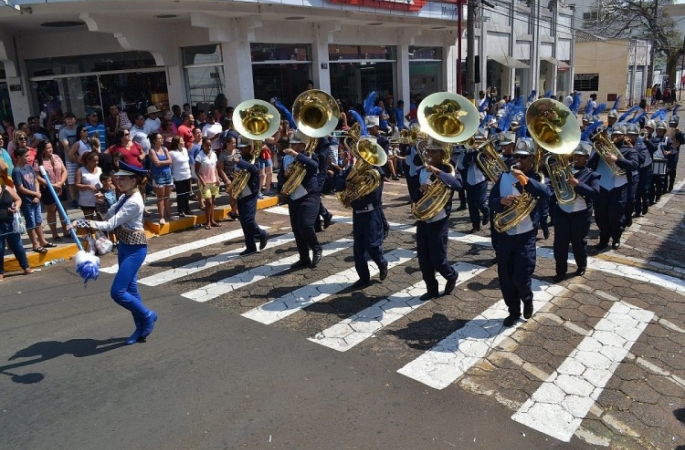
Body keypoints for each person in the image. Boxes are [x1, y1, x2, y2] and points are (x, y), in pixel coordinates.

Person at [70, 162, 157, 345]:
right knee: (131, 289)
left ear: (134, 180)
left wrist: (83, 223)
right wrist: (100, 204)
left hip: (135, 249)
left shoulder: (134, 201)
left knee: (118, 292)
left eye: (123, 178)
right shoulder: (125, 196)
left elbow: (110, 225)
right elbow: (108, 215)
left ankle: (148, 315)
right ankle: (140, 328)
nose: (119, 181)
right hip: (124, 245)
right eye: (118, 178)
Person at [489, 138, 553, 326]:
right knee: (506, 278)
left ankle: (527, 298)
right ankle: (513, 311)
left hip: (526, 236)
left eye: (524, 157)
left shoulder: (538, 178)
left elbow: (546, 193)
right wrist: (501, 202)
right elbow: (491, 202)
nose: (519, 160)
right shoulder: (503, 177)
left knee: (521, 276)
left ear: (532, 158)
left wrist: (524, 180)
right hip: (506, 235)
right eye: (517, 156)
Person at [411, 141, 462, 300]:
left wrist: (437, 172)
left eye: (433, 152)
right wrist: (420, 190)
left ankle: (451, 275)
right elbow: (414, 195)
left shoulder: (449, 169)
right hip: (423, 219)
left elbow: (458, 185)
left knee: (438, 259)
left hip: (439, 220)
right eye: (428, 152)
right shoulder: (421, 171)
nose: (429, 155)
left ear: (442, 154)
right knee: (424, 261)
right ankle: (432, 289)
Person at [552, 143, 600, 282]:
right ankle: (560, 271)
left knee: (578, 242)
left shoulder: (592, 175)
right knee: (560, 244)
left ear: (586, 158)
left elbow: (595, 194)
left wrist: (578, 184)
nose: (577, 158)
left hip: (581, 213)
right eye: (576, 155)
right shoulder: (563, 170)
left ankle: (581, 265)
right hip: (562, 211)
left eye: (581, 156)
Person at [588, 124, 639, 250]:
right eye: (614, 134)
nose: (615, 137)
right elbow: (590, 165)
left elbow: (634, 165)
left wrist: (617, 160)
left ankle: (616, 238)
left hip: (619, 187)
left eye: (618, 135)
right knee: (601, 216)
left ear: (624, 136)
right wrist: (597, 153)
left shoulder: (629, 151)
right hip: (602, 187)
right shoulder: (602, 149)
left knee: (616, 217)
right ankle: (603, 240)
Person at [282, 136, 323, 269]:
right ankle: (304, 258)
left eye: (295, 144)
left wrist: (296, 155)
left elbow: (314, 166)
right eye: (291, 144)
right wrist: (285, 174)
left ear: (302, 146)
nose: (291, 146)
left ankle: (317, 248)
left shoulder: (311, 156)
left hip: (309, 196)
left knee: (305, 224)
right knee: (296, 229)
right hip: (294, 197)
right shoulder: (286, 159)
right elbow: (280, 178)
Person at [12, 147, 55, 253]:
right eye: (26, 156)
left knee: (38, 221)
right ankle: (35, 244)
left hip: (36, 199)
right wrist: (34, 194)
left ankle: (42, 241)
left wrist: (37, 194)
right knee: (31, 223)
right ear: (18, 157)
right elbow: (20, 188)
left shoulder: (29, 167)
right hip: (27, 201)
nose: (29, 158)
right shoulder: (17, 171)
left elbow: (36, 181)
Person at [233, 142, 269, 256]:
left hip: (250, 194)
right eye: (240, 148)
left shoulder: (254, 159)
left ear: (249, 148)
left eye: (243, 148)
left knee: (248, 219)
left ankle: (262, 234)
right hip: (241, 192)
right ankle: (250, 246)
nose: (241, 149)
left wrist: (239, 162)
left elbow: (254, 169)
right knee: (243, 221)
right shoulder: (241, 158)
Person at [34, 140, 69, 241]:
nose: (50, 149)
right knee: (52, 210)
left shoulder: (56, 157)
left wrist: (61, 183)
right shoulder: (38, 161)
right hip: (48, 189)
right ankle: (55, 234)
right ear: (43, 150)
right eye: (47, 148)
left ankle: (66, 231)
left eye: (51, 147)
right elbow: (37, 176)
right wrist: (51, 185)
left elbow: (64, 171)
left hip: (61, 186)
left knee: (63, 209)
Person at [0, 178, 32, 281]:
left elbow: (18, 199)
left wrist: (16, 207)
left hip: (11, 223)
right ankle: (0, 272)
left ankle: (25, 267)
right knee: (0, 249)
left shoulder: (7, 189)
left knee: (17, 246)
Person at [462, 129, 490, 233]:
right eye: (475, 140)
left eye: (478, 140)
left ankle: (487, 212)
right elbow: (464, 164)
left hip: (481, 179)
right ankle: (475, 226)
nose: (476, 142)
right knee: (471, 205)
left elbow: (482, 164)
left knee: (480, 202)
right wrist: (470, 152)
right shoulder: (469, 151)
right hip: (470, 180)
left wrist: (477, 152)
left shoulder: (484, 152)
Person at [148, 132, 174, 224]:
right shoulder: (152, 151)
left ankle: (169, 215)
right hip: (158, 176)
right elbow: (156, 163)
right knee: (160, 197)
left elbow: (170, 161)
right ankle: (161, 217)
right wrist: (165, 162)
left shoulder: (165, 148)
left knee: (167, 196)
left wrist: (162, 162)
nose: (162, 139)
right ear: (154, 141)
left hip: (168, 174)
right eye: (159, 138)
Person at [195, 137, 220, 229]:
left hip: (213, 181)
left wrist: (217, 178)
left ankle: (212, 220)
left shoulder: (213, 154)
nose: (209, 147)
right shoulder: (199, 156)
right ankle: (208, 221)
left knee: (213, 202)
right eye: (207, 145)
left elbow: (215, 168)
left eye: (210, 145)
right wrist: (202, 181)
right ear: (203, 145)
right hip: (204, 183)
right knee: (208, 202)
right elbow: (197, 171)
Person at [168, 137, 193, 217]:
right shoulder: (172, 153)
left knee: (187, 193)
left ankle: (187, 208)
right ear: (177, 143)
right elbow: (170, 166)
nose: (183, 142)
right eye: (181, 141)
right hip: (179, 176)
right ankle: (181, 210)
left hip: (187, 175)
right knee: (181, 194)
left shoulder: (185, 150)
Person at [75, 151, 102, 220]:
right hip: (86, 200)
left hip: (99, 199)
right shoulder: (80, 170)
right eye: (94, 161)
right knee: (89, 221)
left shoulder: (99, 170)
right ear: (87, 160)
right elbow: (76, 185)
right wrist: (88, 186)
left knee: (102, 219)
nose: (96, 163)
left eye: (97, 161)